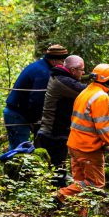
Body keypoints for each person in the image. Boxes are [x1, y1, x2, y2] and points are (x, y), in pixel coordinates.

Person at [57, 63, 109, 213]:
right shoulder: (101, 97)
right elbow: (103, 127)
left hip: (74, 144)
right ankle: (60, 195)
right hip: (88, 147)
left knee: (80, 183)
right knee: (94, 184)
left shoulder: (85, 92)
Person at [3, 44, 69, 149]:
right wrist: (36, 121)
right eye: (62, 61)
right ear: (54, 60)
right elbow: (36, 101)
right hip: (17, 114)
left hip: (17, 112)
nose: (64, 65)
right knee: (20, 150)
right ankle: (15, 165)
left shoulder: (40, 66)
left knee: (18, 147)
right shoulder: (43, 73)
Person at [36, 55, 87, 186]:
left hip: (55, 131)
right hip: (53, 133)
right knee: (57, 171)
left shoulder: (61, 77)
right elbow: (87, 92)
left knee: (57, 169)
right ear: (73, 69)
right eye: (81, 70)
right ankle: (56, 199)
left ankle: (57, 197)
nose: (83, 73)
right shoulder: (62, 81)